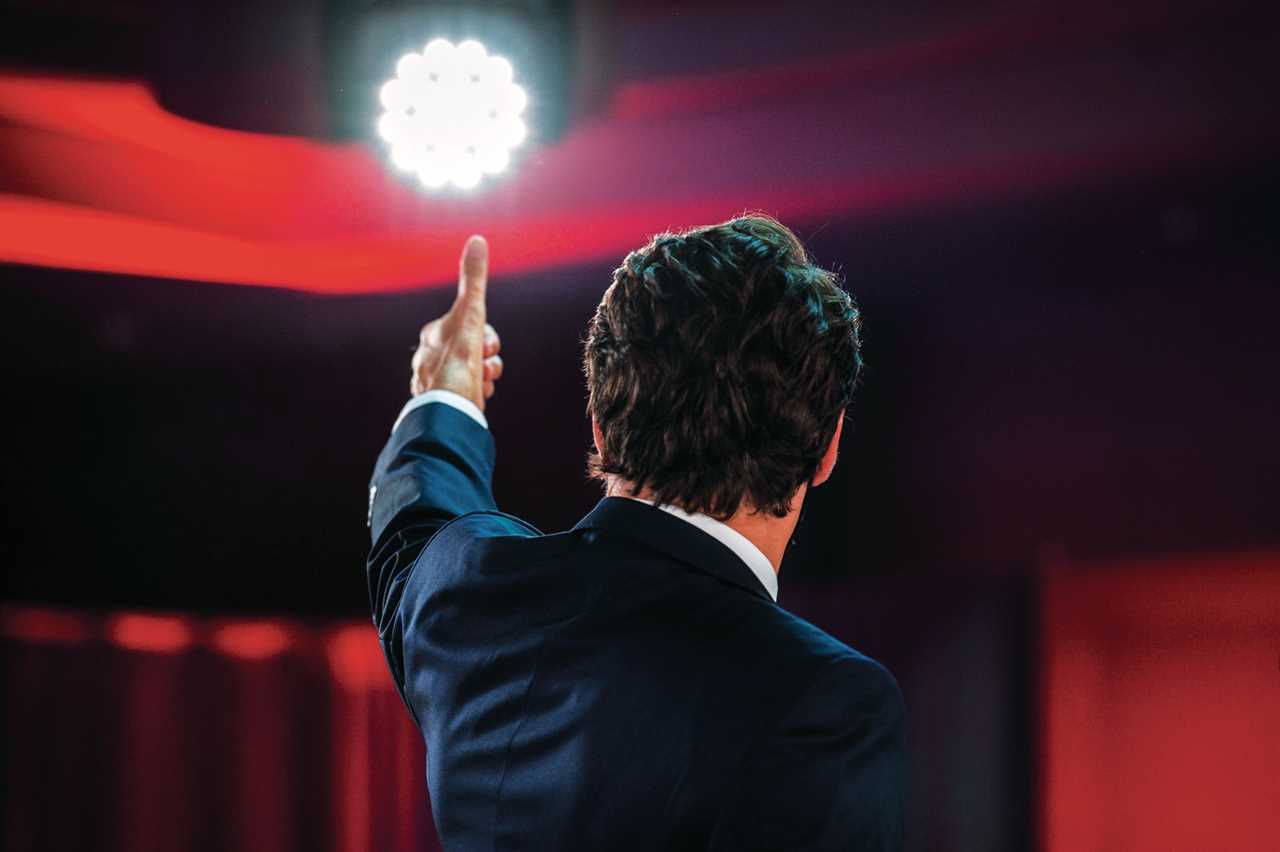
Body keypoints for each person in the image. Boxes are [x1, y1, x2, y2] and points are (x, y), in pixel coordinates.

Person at [366, 215, 907, 851]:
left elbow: (415, 514)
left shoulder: (467, 596)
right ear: (828, 448)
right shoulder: (826, 705)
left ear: (599, 423)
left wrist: (447, 387)